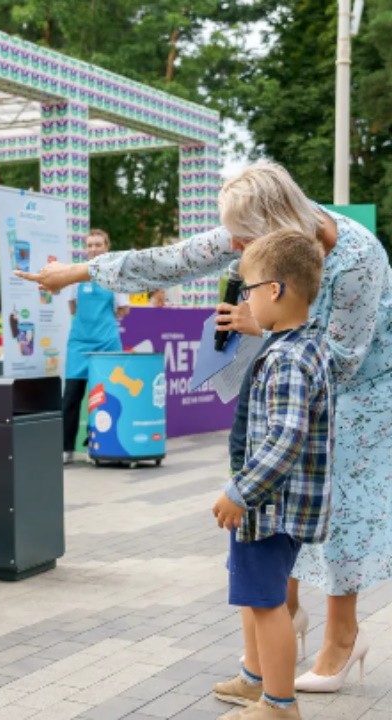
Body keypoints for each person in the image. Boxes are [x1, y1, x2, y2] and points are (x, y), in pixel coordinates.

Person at [16, 161, 390, 692]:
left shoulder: (356, 258)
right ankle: (277, 635)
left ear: (277, 225)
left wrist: (258, 328)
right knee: (271, 518)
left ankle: (343, 635)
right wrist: (78, 272)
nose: (233, 246)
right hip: (286, 367)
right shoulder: (258, 236)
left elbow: (343, 363)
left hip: (362, 388)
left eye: (241, 238)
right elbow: (170, 262)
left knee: (339, 504)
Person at [211, 230, 332, 720]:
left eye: (249, 289)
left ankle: (279, 705)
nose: (245, 301)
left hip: (269, 508)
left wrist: (239, 491)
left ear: (275, 291)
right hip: (285, 505)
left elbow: (285, 439)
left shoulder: (284, 359)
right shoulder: (308, 346)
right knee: (266, 599)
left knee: (267, 605)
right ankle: (265, 688)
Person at [62, 229, 129, 463]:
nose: (93, 249)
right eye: (90, 245)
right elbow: (72, 307)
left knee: (104, 397)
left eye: (98, 244)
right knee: (71, 395)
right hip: (79, 343)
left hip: (107, 343)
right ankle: (66, 448)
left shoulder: (116, 276)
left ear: (106, 247)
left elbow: (123, 308)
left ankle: (98, 446)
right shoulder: (75, 275)